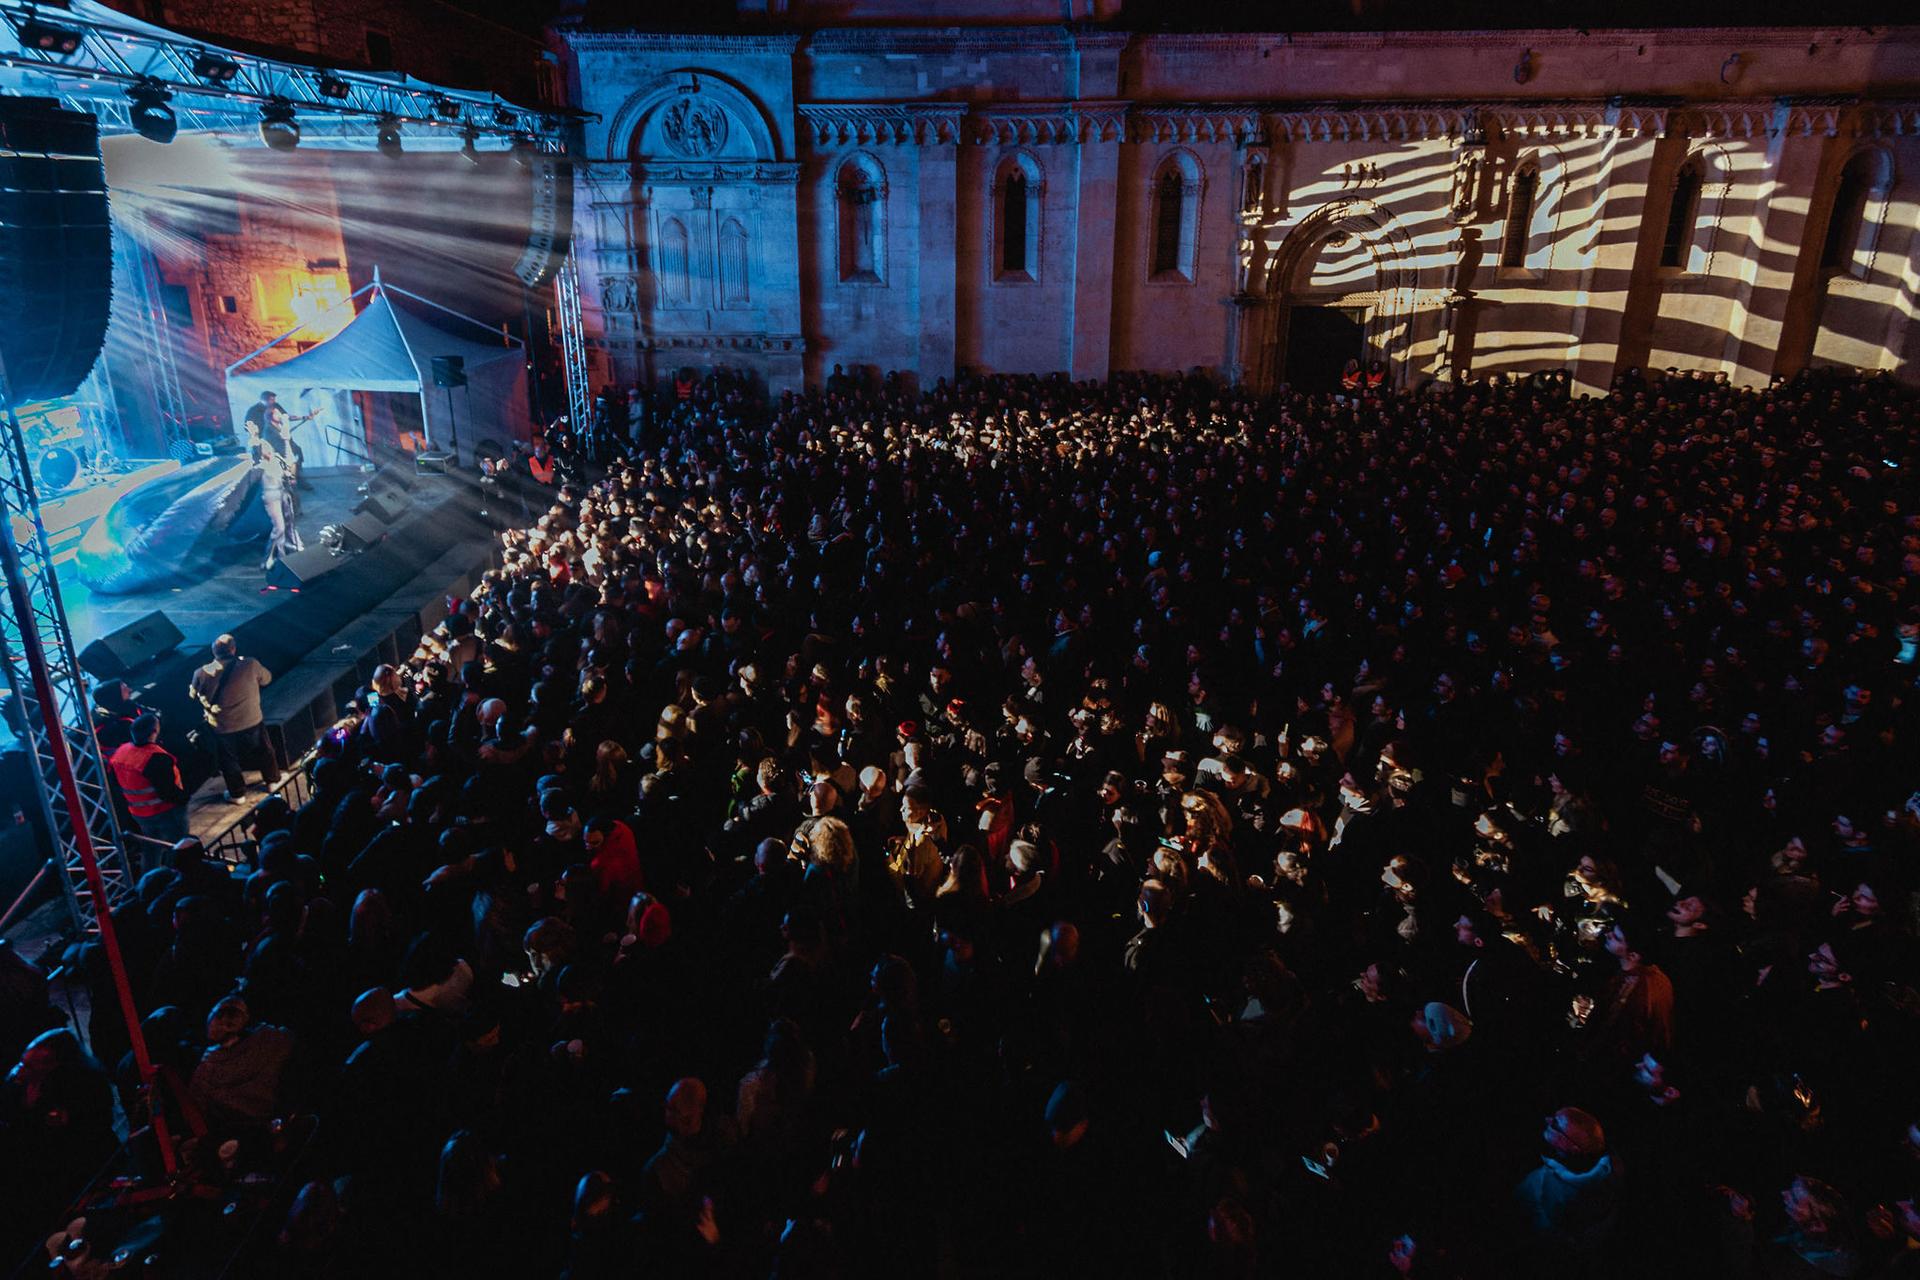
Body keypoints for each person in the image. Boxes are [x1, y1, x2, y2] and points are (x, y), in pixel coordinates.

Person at [189, 634, 281, 804]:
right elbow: (267, 679)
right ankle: (272, 781)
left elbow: (193, 695)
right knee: (264, 750)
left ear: (213, 652)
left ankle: (238, 794)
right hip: (251, 719)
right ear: (233, 649)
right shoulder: (249, 664)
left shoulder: (201, 673)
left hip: (222, 726)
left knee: (229, 760)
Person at [106, 713, 190, 853]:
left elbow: (115, 783)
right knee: (179, 848)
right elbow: (167, 792)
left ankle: (151, 873)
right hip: (165, 811)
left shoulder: (121, 751)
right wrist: (184, 799)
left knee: (151, 848)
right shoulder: (155, 758)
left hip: (139, 813)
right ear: (154, 732)